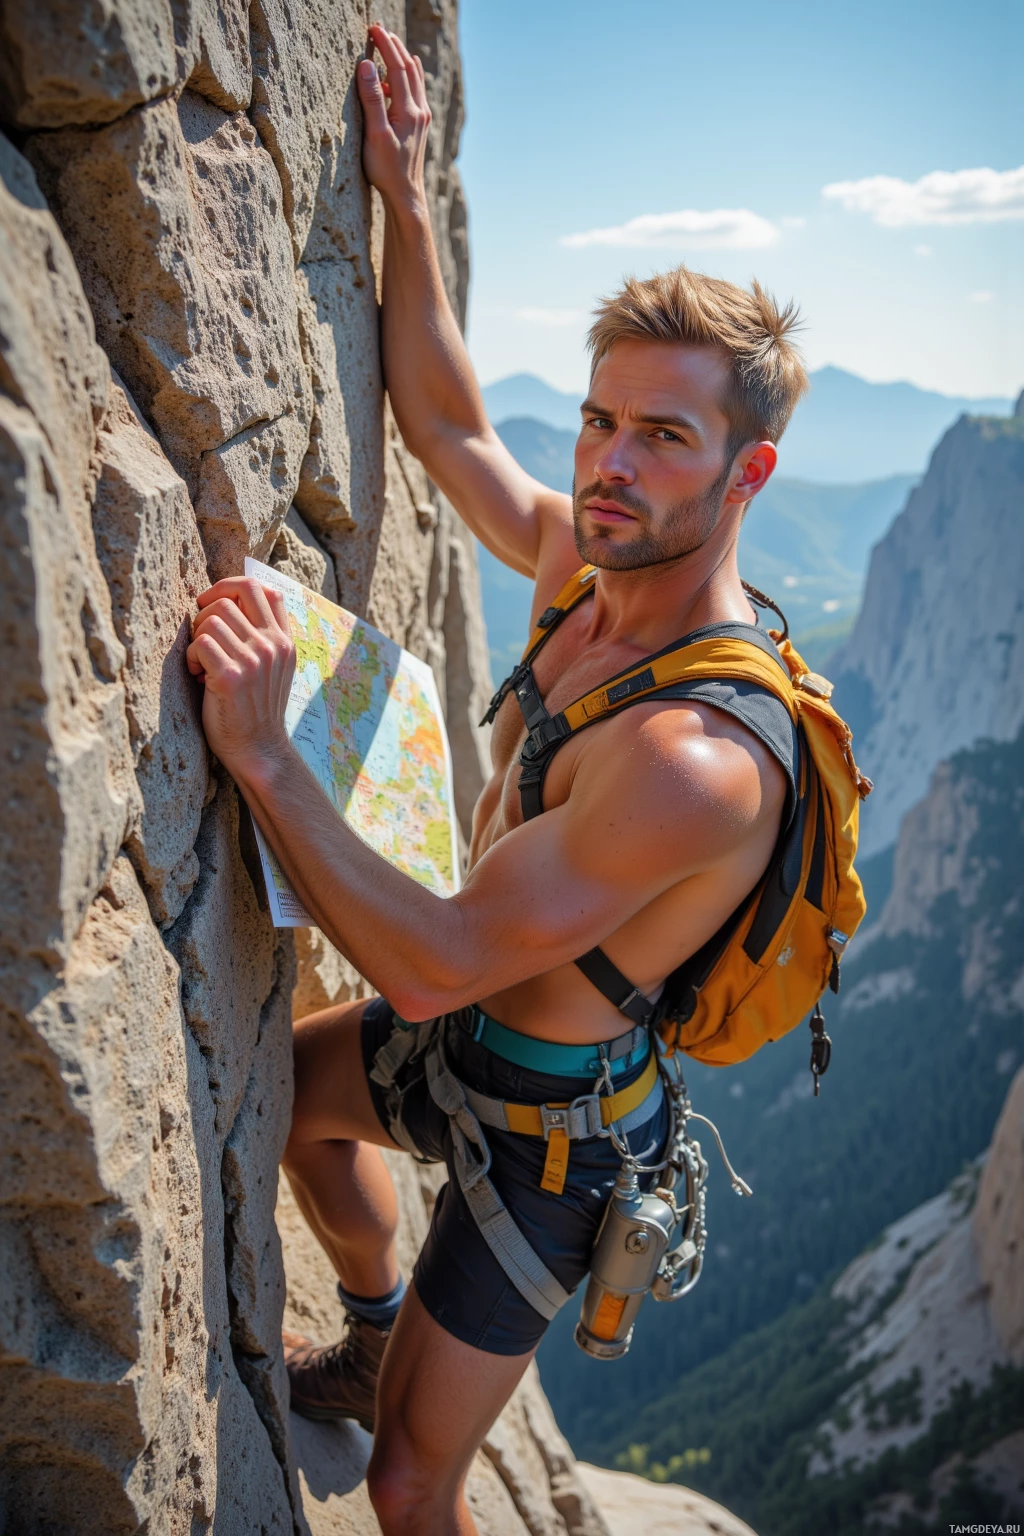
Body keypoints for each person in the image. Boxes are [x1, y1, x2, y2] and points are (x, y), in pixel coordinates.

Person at [185, 23, 809, 1536]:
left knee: (410, 1481)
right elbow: (452, 424)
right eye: (601, 421)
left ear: (748, 474)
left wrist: (266, 754)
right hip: (467, 1038)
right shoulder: (578, 575)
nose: (608, 463)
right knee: (283, 1119)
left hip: (560, 1141)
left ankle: (402, 1368)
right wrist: (403, 203)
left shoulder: (699, 759)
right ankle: (379, 1315)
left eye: (664, 436)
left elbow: (426, 961)